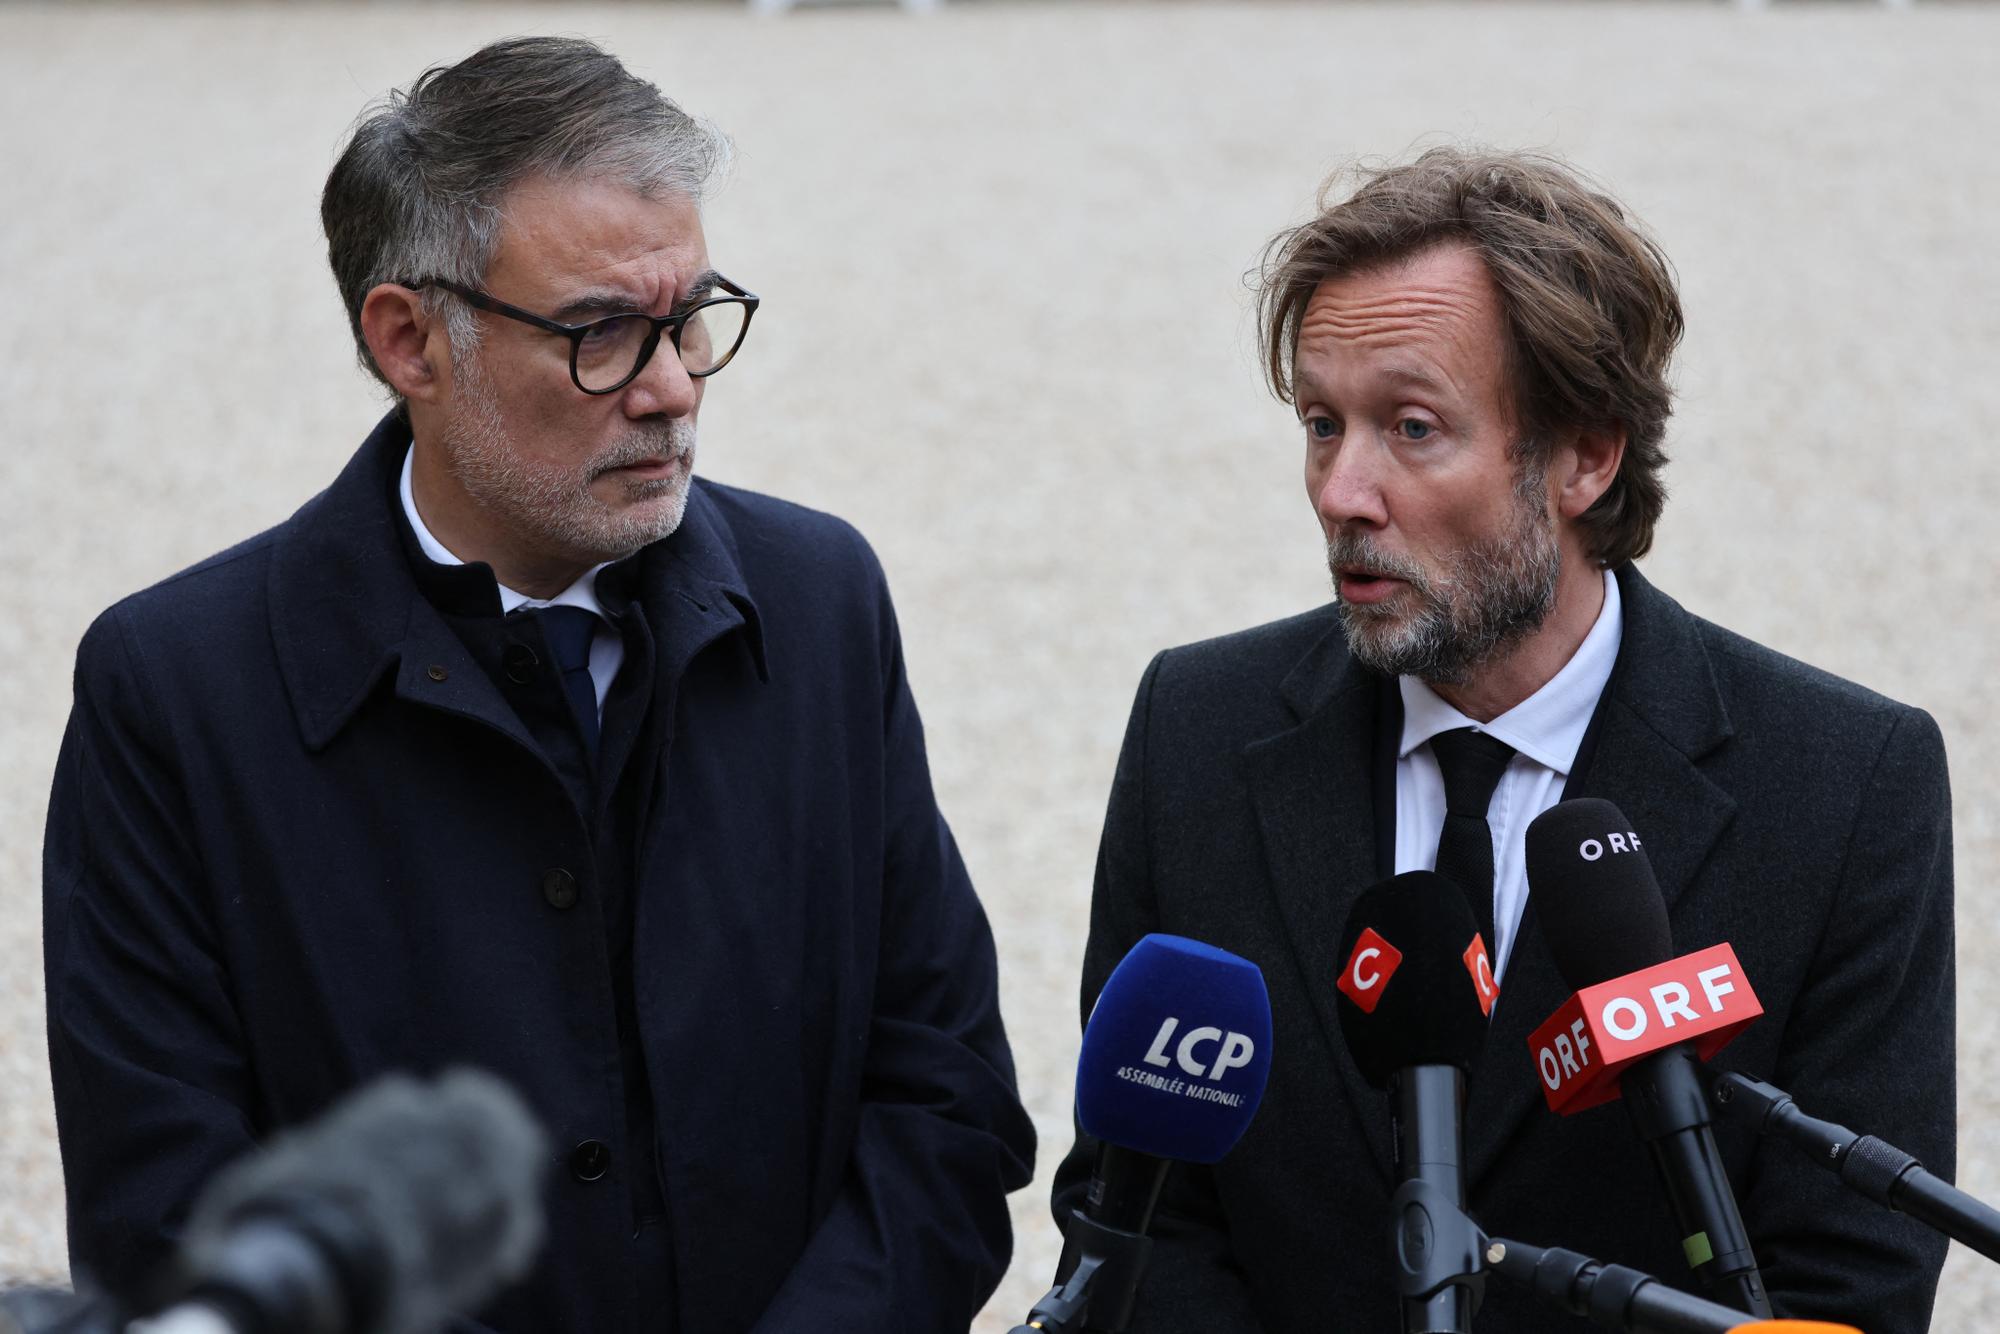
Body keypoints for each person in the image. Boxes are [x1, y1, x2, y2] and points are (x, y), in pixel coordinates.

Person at [44, 36, 1034, 1334]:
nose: (674, 386)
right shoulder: (174, 692)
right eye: (603, 333)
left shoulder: (824, 598)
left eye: (690, 316)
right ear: (409, 339)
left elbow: (945, 1101)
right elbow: (167, 1212)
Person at [1052, 147, 1953, 1334]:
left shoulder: (1843, 784)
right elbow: (1135, 1207)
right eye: (1322, 423)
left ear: (1585, 453)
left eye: (1411, 427)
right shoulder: (1196, 727)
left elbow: (1851, 1282)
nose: (1340, 490)